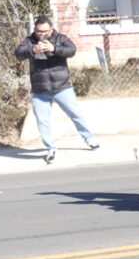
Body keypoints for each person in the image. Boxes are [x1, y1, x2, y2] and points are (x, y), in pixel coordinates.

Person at [14, 16, 99, 164]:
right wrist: (33, 49)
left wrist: (54, 48)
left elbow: (71, 50)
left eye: (45, 31)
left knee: (75, 114)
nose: (42, 34)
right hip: (40, 89)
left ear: (51, 29)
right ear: (34, 29)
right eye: (39, 31)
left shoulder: (60, 38)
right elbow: (18, 53)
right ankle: (50, 149)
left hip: (62, 87)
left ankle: (89, 138)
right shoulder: (29, 41)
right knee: (42, 121)